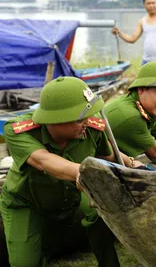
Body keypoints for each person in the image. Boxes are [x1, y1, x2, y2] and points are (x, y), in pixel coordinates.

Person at [0, 77, 135, 267]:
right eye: (80, 119)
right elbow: (44, 160)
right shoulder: (19, 130)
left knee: (99, 212)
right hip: (26, 202)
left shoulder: (91, 128)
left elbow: (109, 156)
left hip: (72, 194)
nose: (87, 122)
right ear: (54, 120)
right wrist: (88, 174)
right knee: (24, 263)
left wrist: (133, 164)